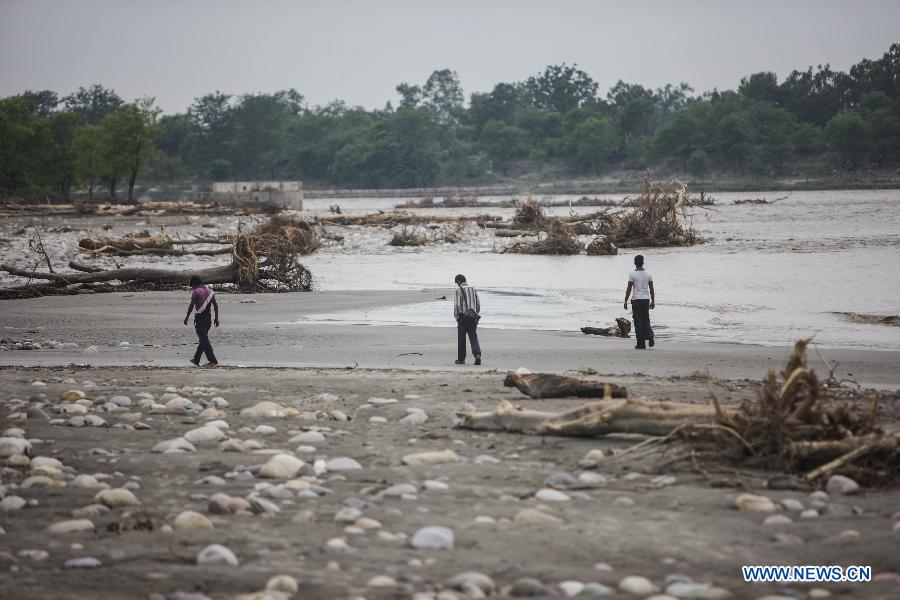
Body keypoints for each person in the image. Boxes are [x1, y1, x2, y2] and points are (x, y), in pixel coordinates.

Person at [184, 276, 219, 366]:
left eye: (192, 286)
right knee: (203, 340)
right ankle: (196, 359)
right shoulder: (210, 291)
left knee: (204, 340)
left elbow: (191, 306)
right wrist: (216, 318)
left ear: (195, 284)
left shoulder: (196, 291)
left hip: (200, 319)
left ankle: (213, 360)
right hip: (208, 319)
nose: (192, 288)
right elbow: (215, 305)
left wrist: (187, 317)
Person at [623, 255, 655, 349]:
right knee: (646, 319)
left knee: (637, 321)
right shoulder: (648, 274)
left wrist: (625, 300)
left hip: (636, 300)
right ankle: (650, 335)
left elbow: (629, 288)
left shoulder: (632, 274)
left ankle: (640, 344)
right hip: (645, 299)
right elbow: (651, 288)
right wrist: (653, 300)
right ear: (643, 262)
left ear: (635, 263)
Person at [453, 274, 482, 365]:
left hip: (463, 316)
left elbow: (457, 305)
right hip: (473, 316)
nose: (457, 285)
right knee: (473, 336)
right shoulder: (473, 288)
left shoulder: (458, 290)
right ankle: (477, 355)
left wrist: (456, 317)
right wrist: (476, 313)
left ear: (458, 281)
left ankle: (461, 359)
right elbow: (478, 303)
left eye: (456, 283)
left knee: (462, 338)